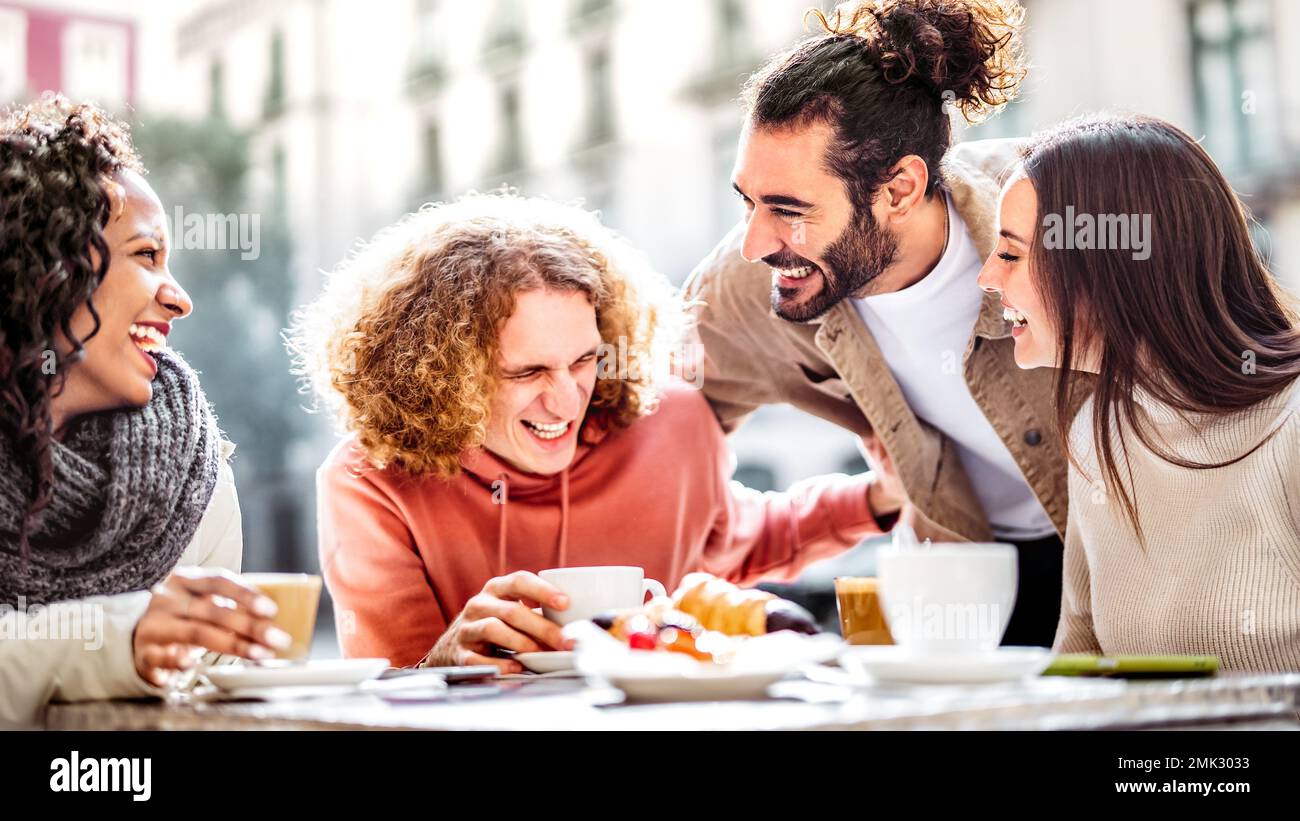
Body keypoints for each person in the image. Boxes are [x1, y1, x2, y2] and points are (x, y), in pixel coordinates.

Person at [292, 193, 889, 671]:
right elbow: (383, 691)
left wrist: (881, 496)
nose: (568, 398)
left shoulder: (673, 423)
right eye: (526, 371)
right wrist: (443, 662)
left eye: (583, 360)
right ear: (442, 375)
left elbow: (744, 538)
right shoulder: (369, 482)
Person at [683, 0, 1079, 645]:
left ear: (899, 189)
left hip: (1129, 555)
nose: (755, 242)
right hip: (960, 584)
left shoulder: (1058, 211)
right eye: (748, 201)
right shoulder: (746, 289)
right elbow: (652, 422)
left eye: (788, 209)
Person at [0, 95, 285, 728]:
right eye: (147, 256)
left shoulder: (194, 478)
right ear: (48, 270)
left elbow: (212, 701)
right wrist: (113, 640)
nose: (179, 300)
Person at [977, 113, 1300, 671]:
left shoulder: (1291, 425)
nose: (987, 276)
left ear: (1107, 268)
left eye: (1010, 253)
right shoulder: (1095, 433)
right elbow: (1078, 665)